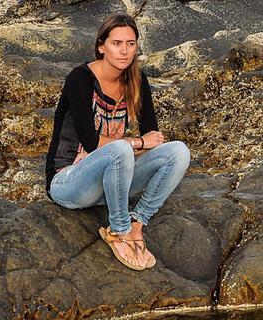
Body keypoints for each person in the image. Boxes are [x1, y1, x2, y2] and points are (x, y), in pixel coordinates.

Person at [44, 14, 191, 271]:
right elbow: (90, 141)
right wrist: (135, 144)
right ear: (102, 46)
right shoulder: (80, 79)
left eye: (131, 44)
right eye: (117, 43)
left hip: (111, 180)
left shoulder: (136, 80)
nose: (124, 51)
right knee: (121, 148)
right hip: (69, 181)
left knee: (178, 151)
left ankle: (136, 225)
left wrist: (134, 145)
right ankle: (118, 230)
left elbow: (153, 136)